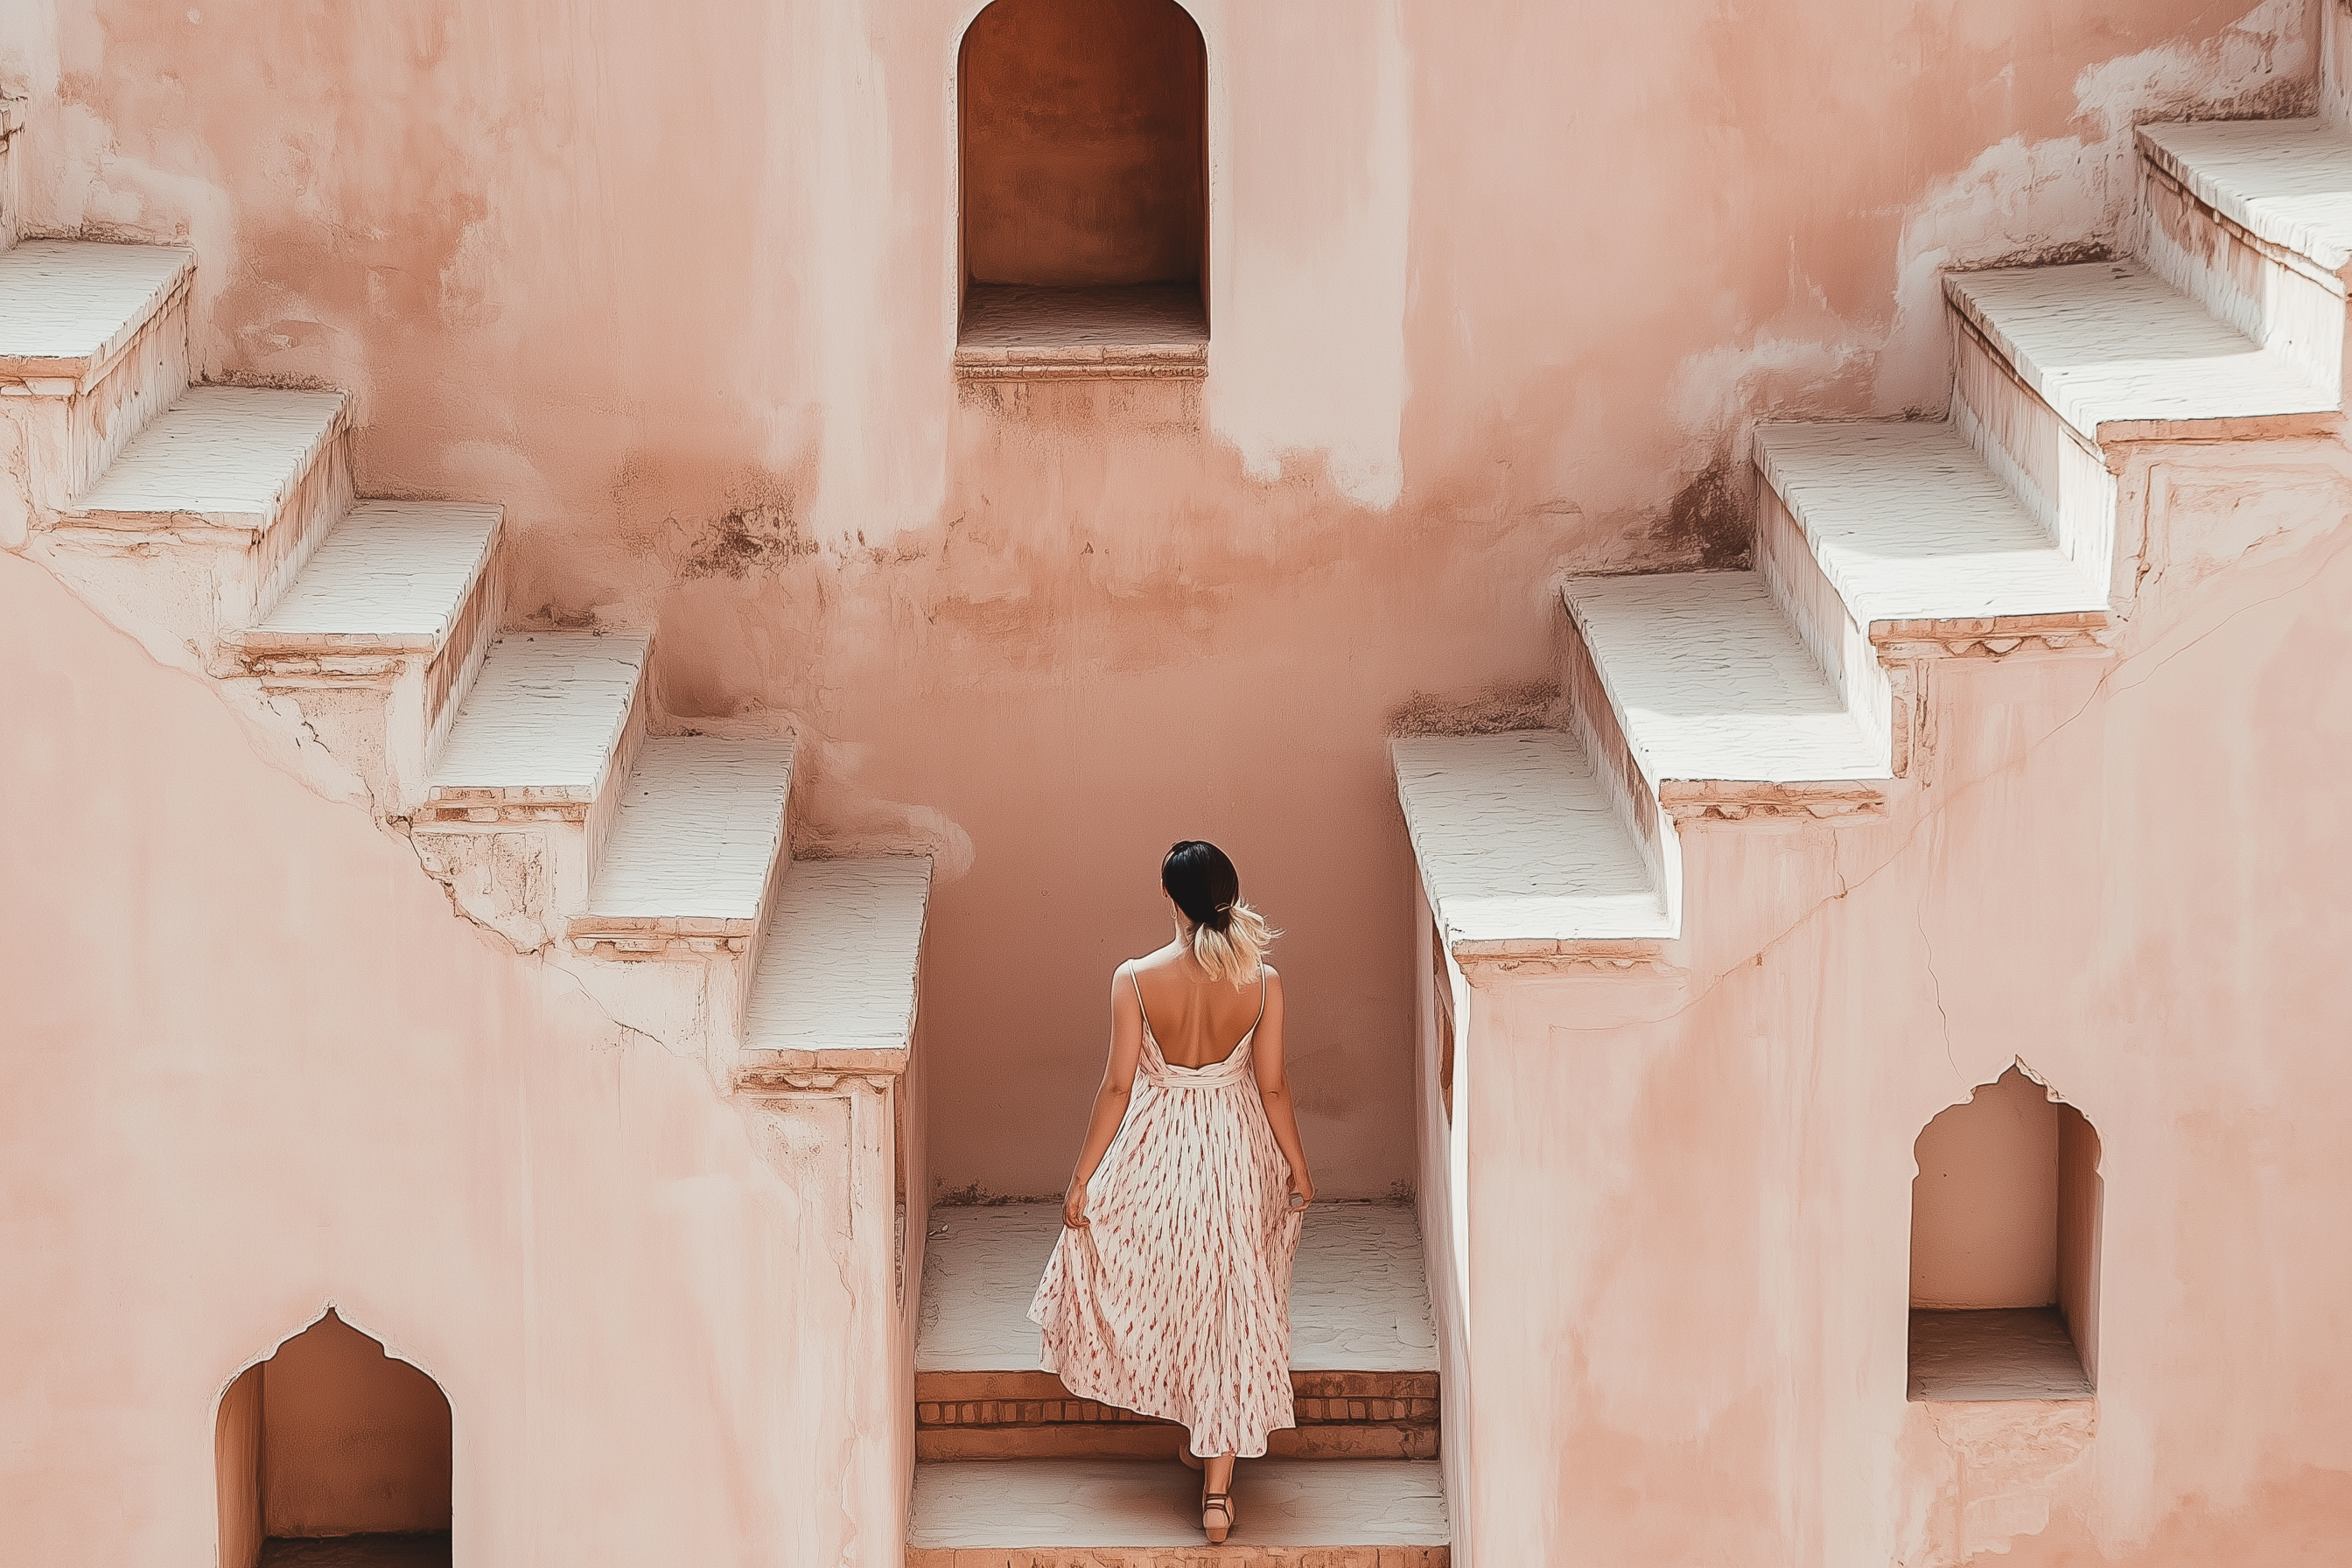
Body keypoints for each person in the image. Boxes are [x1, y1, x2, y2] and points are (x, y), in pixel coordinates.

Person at [1028, 840, 1314, 1544]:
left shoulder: (1133, 978)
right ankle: (1218, 1495)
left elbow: (1118, 1086)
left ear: (1169, 895)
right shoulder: (1265, 980)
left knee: (1181, 1292)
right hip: (1237, 1149)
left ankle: (1198, 1424)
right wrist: (1297, 1166)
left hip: (1160, 1154)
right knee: (1231, 1300)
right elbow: (1272, 1085)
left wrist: (1081, 1180)